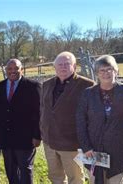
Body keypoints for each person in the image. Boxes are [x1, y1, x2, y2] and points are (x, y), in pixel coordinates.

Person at [40, 51, 95, 184]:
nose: (63, 67)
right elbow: (43, 109)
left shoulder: (87, 85)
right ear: (55, 67)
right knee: (55, 177)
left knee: (75, 178)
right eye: (60, 64)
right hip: (50, 142)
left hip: (72, 144)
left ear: (74, 66)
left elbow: (93, 115)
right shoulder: (47, 85)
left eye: (67, 64)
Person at [76, 55, 123, 184]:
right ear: (97, 73)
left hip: (119, 148)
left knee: (116, 181)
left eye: (109, 69)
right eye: (102, 70)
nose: (106, 73)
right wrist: (86, 146)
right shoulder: (88, 94)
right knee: (96, 180)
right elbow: (80, 121)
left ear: (115, 71)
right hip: (93, 149)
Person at [0, 59, 41, 184]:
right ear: (6, 70)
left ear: (21, 69)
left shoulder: (33, 86)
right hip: (6, 137)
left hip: (26, 138)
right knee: (11, 171)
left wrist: (37, 135)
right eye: (9, 69)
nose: (13, 71)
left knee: (25, 170)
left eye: (16, 68)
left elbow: (39, 113)